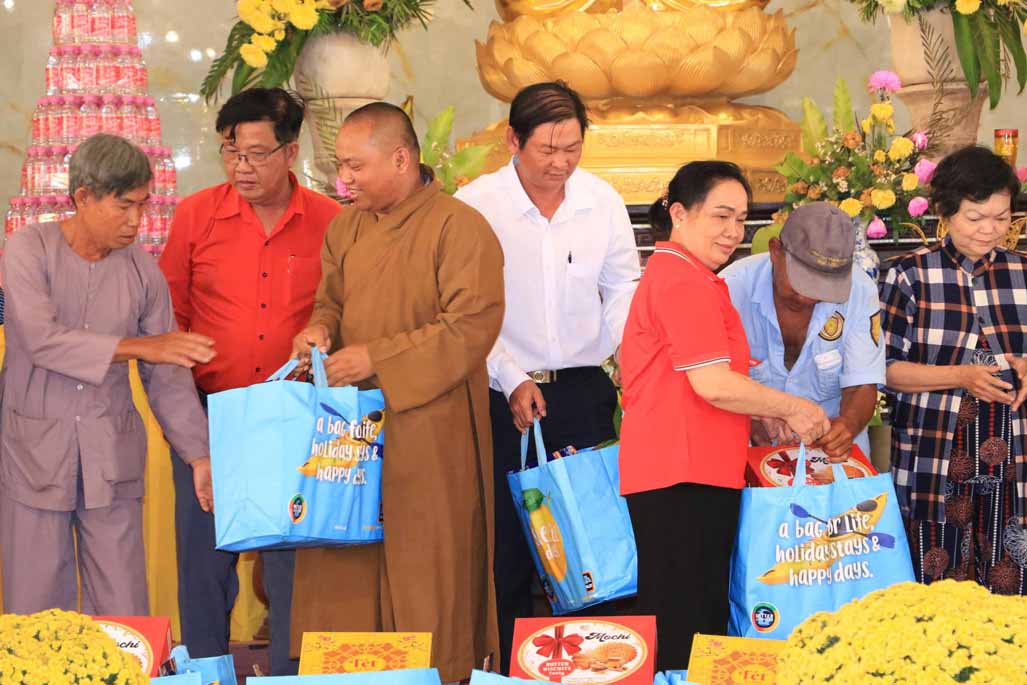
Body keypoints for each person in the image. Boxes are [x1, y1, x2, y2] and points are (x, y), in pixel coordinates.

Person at [288, 102, 504, 682]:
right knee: (345, 561)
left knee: (426, 564)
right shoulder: (345, 226)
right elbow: (330, 301)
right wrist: (319, 330)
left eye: (356, 166)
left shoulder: (459, 227)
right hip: (351, 429)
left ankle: (437, 673)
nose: (344, 181)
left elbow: (470, 326)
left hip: (429, 426)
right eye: (340, 166)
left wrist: (377, 359)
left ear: (402, 159)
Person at [454, 81, 640, 670]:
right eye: (547, 150)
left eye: (572, 149)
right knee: (510, 546)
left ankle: (599, 666)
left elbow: (622, 285)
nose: (561, 163)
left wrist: (628, 350)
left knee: (592, 538)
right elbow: (462, 308)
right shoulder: (476, 204)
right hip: (500, 394)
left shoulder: (601, 200)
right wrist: (510, 376)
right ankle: (514, 670)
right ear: (513, 141)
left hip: (584, 393)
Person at [618, 161, 831, 668]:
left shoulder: (690, 276)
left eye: (740, 218)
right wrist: (793, 407)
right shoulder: (682, 281)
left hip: (695, 468)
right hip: (680, 473)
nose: (733, 231)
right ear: (679, 214)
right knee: (685, 630)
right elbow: (712, 384)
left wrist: (759, 415)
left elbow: (701, 381)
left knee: (697, 619)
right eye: (720, 216)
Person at [160, 88, 340, 673]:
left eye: (257, 154)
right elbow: (169, 317)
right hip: (211, 414)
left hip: (293, 418)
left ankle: (288, 675)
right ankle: (206, 671)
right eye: (231, 152)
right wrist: (188, 428)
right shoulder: (196, 215)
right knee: (203, 559)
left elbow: (343, 308)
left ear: (290, 152)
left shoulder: (331, 221)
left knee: (293, 561)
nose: (242, 167)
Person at [0, 134, 213, 615]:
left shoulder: (142, 271)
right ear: (83, 197)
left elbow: (166, 375)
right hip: (34, 455)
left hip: (111, 456)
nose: (136, 221)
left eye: (142, 205)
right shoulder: (28, 249)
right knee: (35, 606)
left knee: (124, 604)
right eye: (123, 206)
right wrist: (141, 347)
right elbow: (40, 340)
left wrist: (199, 454)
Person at [880, 145, 1027, 595]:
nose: (990, 229)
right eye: (975, 217)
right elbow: (884, 371)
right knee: (932, 591)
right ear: (944, 213)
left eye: (1001, 218)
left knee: (1010, 588)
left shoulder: (1022, 272)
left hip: (1014, 460)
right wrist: (960, 376)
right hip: (934, 457)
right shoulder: (908, 276)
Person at [720, 202, 884, 461]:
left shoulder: (860, 291)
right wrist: (750, 422)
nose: (808, 296)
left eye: (824, 287)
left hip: (832, 460)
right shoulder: (729, 290)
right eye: (802, 282)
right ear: (775, 251)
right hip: (746, 456)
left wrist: (847, 426)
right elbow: (712, 384)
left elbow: (862, 382)